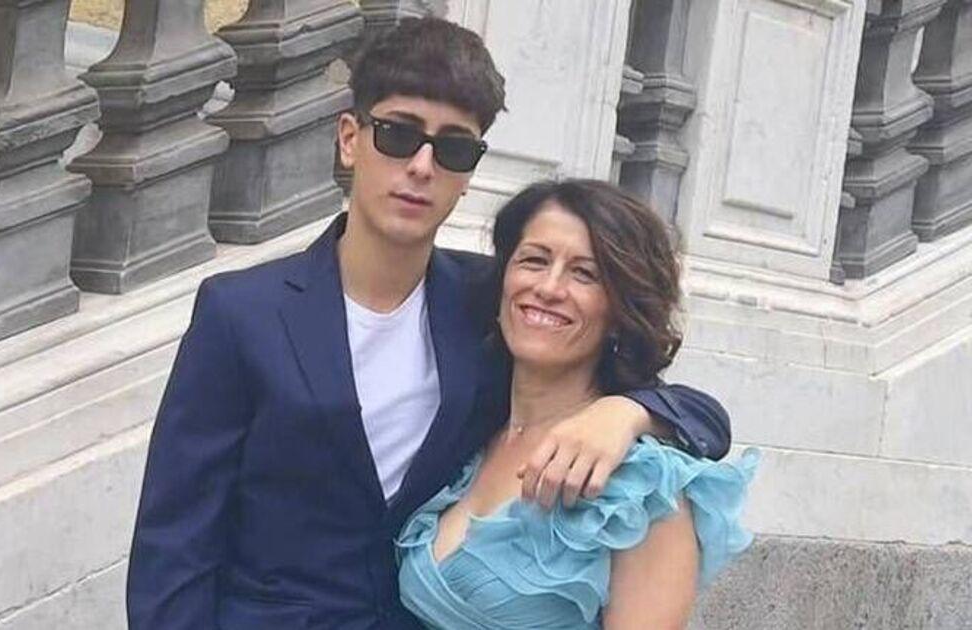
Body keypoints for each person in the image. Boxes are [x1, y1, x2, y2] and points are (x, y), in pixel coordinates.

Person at [126, 18, 732, 630]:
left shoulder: (489, 302)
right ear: (349, 139)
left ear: (468, 174)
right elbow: (174, 547)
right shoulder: (241, 313)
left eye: (453, 148)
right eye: (398, 134)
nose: (421, 166)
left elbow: (699, 417)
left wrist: (625, 414)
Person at [397, 179, 758, 629]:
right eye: (534, 260)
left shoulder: (645, 487)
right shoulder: (469, 430)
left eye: (585, 274)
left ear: (621, 311)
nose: (549, 287)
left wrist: (625, 413)